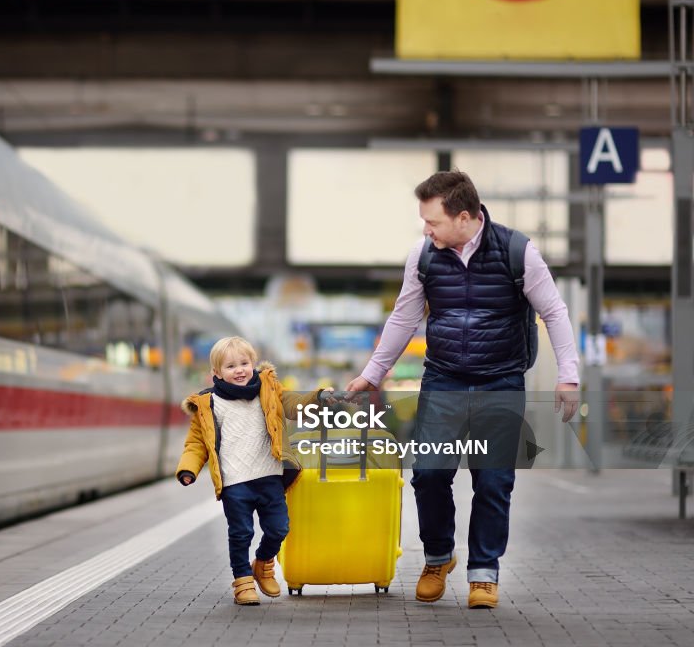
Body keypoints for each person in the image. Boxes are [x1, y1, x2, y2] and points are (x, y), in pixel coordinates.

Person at [346, 170, 580, 610]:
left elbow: (555, 311)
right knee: (430, 475)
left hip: (501, 381)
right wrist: (372, 374)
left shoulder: (517, 251)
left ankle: (484, 573)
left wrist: (568, 375)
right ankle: (438, 557)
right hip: (444, 379)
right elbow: (403, 317)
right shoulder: (424, 256)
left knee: (493, 480)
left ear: (466, 217)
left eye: (432, 221)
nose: (425, 229)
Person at [176, 336, 325, 606]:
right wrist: (189, 469)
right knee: (240, 532)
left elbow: (292, 403)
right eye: (231, 366)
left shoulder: (268, 390)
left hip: (269, 476)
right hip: (235, 483)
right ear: (216, 374)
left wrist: (318, 398)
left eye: (244, 363)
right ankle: (243, 582)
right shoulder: (208, 405)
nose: (240, 370)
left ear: (253, 364)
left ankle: (264, 563)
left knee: (279, 528)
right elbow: (196, 443)